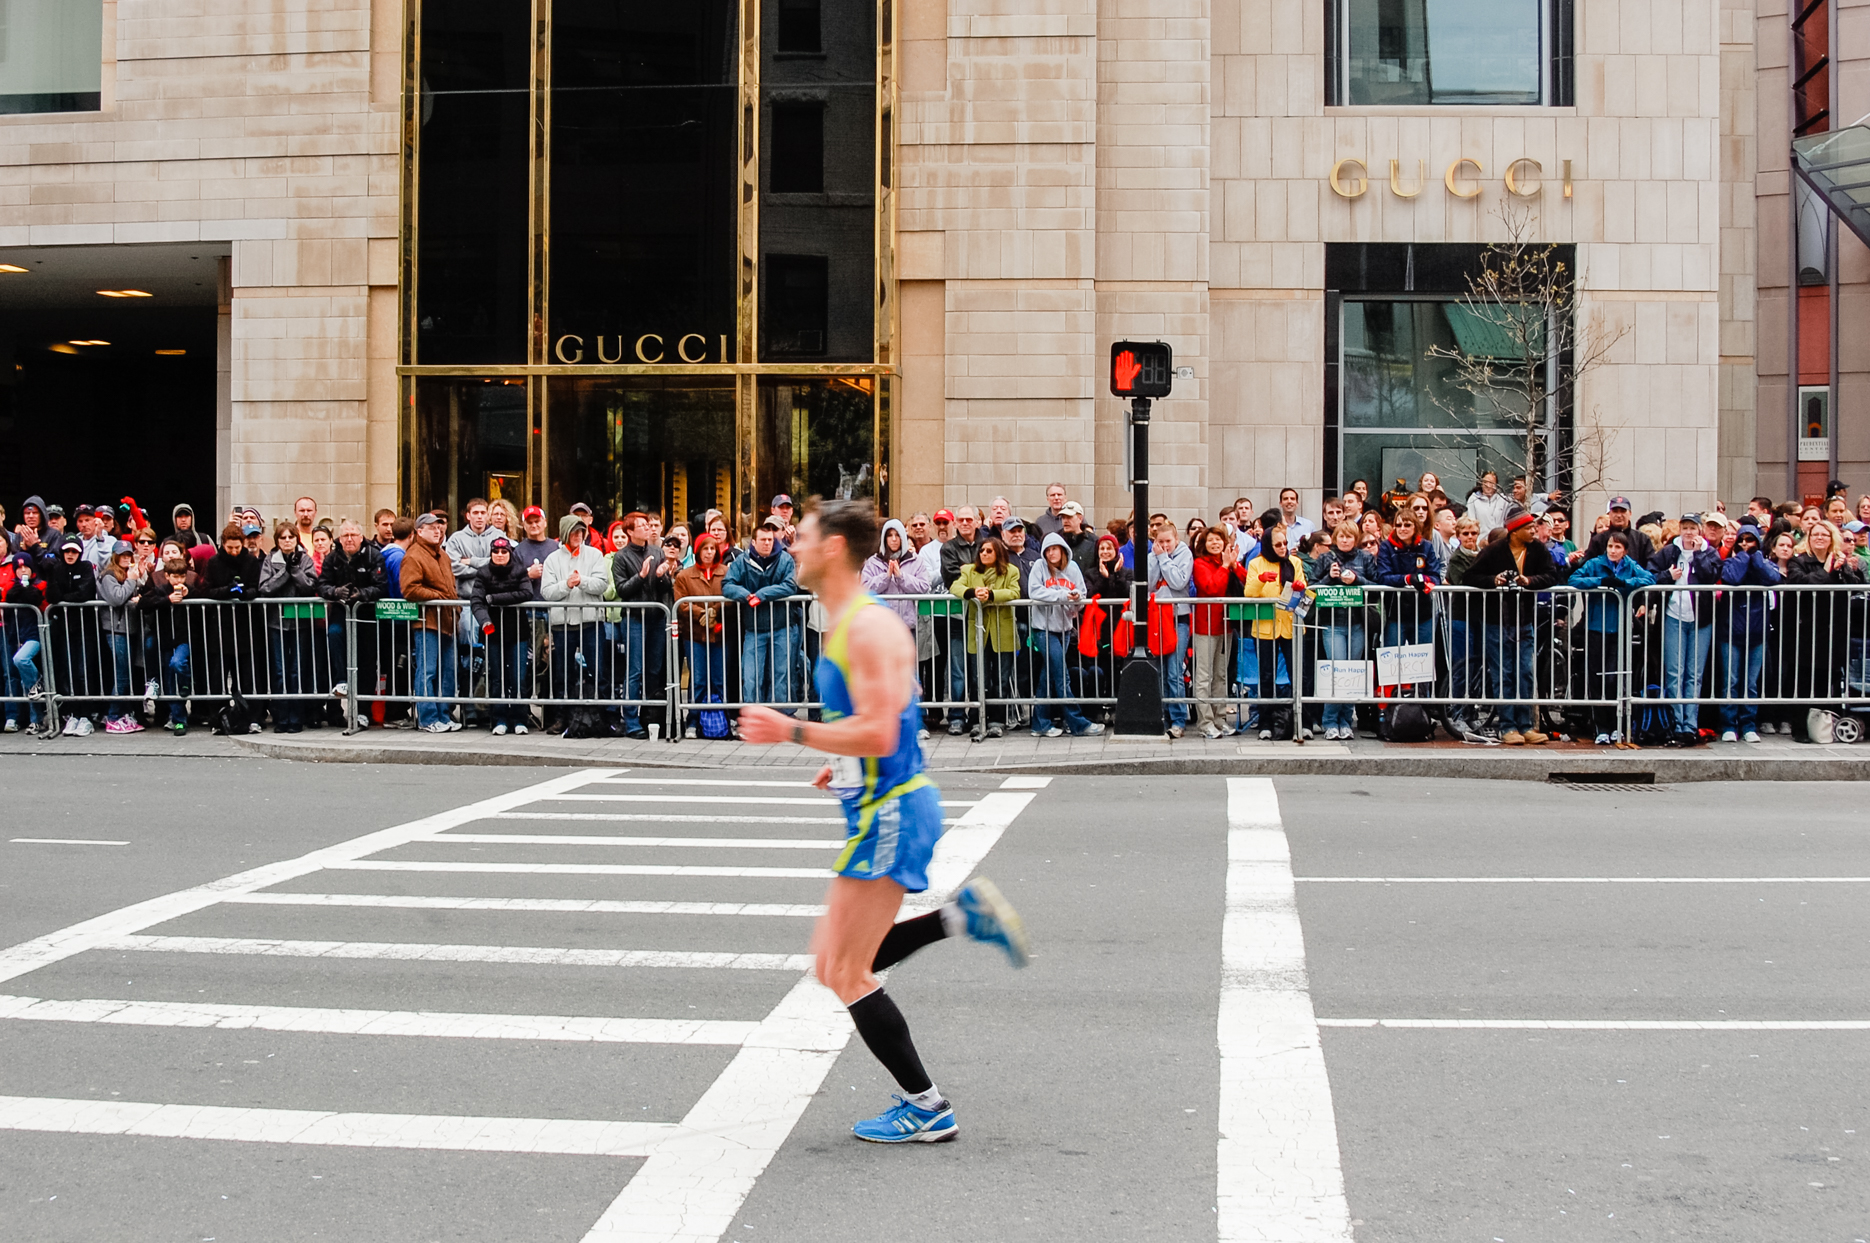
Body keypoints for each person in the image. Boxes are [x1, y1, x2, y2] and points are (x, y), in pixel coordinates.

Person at [737, 500, 1026, 1144]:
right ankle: (960, 917)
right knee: (837, 963)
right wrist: (838, 764)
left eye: (803, 536)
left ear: (835, 548)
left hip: (890, 810)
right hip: (880, 800)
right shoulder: (849, 621)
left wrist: (792, 730)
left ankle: (926, 1106)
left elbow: (880, 727)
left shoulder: (865, 628)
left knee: (844, 968)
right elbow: (887, 723)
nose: (793, 545)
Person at [1462, 504, 1557, 746]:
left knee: (1525, 673)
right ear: (1514, 531)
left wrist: (1529, 580)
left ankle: (1525, 725)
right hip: (1497, 621)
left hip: (1525, 620)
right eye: (1528, 527)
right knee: (1503, 674)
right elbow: (1470, 576)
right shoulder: (1494, 551)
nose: (1534, 530)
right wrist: (1494, 580)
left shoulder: (1538, 550)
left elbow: (1551, 575)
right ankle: (1507, 726)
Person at [1566, 530, 1656, 744]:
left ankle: (1618, 725)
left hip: (1620, 628)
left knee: (1615, 677)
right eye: (1610, 546)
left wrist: (1625, 584)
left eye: (1617, 547)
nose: (1613, 551)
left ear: (1624, 550)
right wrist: (1600, 581)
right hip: (1596, 626)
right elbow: (1575, 579)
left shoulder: (1630, 565)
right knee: (1596, 678)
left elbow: (1649, 578)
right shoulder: (1595, 563)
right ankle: (1601, 727)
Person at [541, 515, 612, 737]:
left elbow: (602, 584)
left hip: (591, 621)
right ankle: (563, 717)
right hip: (563, 624)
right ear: (564, 534)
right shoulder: (553, 559)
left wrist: (582, 581)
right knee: (562, 674)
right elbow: (547, 592)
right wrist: (567, 584)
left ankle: (604, 716)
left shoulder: (595, 554)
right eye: (574, 532)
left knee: (599, 671)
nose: (579, 536)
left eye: (582, 532)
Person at [1027, 531, 1102, 738]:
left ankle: (1040, 723)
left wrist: (1075, 599)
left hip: (1065, 628)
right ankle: (1077, 723)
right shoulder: (1039, 568)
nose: (1051, 554)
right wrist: (1062, 595)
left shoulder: (1073, 568)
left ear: (1062, 550)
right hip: (1044, 630)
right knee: (1062, 676)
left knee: (1048, 676)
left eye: (1055, 549)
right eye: (1048, 550)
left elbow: (1082, 593)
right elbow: (1034, 591)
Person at [611, 512, 678, 739]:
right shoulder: (621, 557)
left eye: (648, 525)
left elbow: (666, 586)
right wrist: (641, 575)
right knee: (634, 670)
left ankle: (649, 717)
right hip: (634, 618)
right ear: (630, 531)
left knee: (653, 670)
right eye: (641, 525)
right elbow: (622, 590)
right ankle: (630, 720)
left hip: (656, 618)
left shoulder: (657, 551)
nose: (647, 528)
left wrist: (661, 575)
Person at [948, 536, 1022, 737]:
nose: (984, 554)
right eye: (982, 551)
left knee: (1001, 679)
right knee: (978, 678)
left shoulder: (1011, 571)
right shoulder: (970, 570)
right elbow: (955, 587)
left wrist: (991, 595)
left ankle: (997, 720)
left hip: (1001, 631)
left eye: (989, 551)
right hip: (978, 631)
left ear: (998, 552)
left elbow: (1015, 592)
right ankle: (975, 719)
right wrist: (972, 592)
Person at [724, 521, 801, 710]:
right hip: (754, 628)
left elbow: (790, 585)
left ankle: (781, 716)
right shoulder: (742, 561)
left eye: (770, 539)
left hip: (782, 626)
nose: (767, 543)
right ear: (754, 541)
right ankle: (752, 715)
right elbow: (727, 585)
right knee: (751, 675)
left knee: (781, 674)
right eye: (763, 540)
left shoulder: (784, 560)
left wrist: (761, 595)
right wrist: (745, 595)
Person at [1310, 522, 1377, 741]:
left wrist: (1356, 580)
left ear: (1355, 538)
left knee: (1352, 673)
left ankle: (1346, 720)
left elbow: (1376, 587)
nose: (1345, 540)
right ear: (1335, 538)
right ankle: (1330, 721)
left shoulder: (1365, 558)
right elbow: (1313, 587)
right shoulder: (1325, 558)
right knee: (1337, 672)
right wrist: (1330, 577)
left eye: (1349, 537)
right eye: (1341, 536)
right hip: (1333, 624)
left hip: (1358, 623)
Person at [1240, 525, 1307, 741]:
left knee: (1299, 674)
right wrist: (1261, 579)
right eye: (1278, 544)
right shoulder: (1256, 563)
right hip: (1265, 627)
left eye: (1285, 543)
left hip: (1290, 625)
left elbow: (1303, 588)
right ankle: (1266, 723)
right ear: (1268, 544)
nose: (1283, 547)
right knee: (1266, 675)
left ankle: (1301, 721)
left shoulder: (1295, 562)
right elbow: (1249, 592)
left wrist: (1298, 587)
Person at [1714, 523, 1779, 743]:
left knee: (1751, 682)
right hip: (1731, 631)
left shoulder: (1763, 563)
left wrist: (1756, 557)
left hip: (1757, 631)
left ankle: (1749, 724)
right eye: (1742, 540)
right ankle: (1729, 725)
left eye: (1750, 541)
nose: (1745, 545)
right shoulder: (1731, 561)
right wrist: (1743, 557)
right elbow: (1731, 578)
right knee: (1730, 681)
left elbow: (1773, 578)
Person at [401, 511, 462, 733]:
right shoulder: (414, 555)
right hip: (427, 622)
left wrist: (452, 604)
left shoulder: (442, 555)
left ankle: (443, 715)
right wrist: (439, 598)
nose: (438, 531)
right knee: (427, 671)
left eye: (439, 527)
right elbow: (410, 588)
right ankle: (428, 718)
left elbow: (449, 587)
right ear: (419, 532)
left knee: (447, 671)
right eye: (432, 527)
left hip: (446, 619)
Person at [471, 535, 535, 735]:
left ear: (510, 553)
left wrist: (494, 599)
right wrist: (484, 621)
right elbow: (476, 601)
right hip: (492, 631)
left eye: (504, 552)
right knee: (496, 677)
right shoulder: (483, 573)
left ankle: (519, 718)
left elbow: (526, 593)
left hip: (518, 631)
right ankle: (498, 718)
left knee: (518, 677)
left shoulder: (519, 570)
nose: (499, 555)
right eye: (496, 552)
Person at [257, 523, 317, 732]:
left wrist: (296, 570)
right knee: (280, 671)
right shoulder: (270, 560)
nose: (287, 541)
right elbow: (265, 588)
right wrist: (285, 572)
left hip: (300, 623)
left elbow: (311, 586)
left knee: (296, 670)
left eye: (291, 537)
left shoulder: (305, 559)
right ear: (277, 540)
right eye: (283, 538)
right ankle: (282, 717)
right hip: (276, 623)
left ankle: (296, 717)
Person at [135, 539, 198, 735]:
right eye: (174, 577)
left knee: (177, 664)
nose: (178, 581)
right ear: (167, 576)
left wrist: (190, 594)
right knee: (169, 682)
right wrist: (167, 600)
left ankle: (187, 684)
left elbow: (205, 602)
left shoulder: (190, 588)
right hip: (164, 639)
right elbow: (143, 602)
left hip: (183, 638)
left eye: (182, 577)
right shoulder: (161, 589)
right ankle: (179, 720)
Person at [1188, 525, 1244, 739]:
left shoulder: (1227, 563)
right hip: (1206, 626)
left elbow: (1245, 580)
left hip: (1225, 625)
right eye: (1211, 540)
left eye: (1218, 540)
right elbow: (1212, 588)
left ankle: (1220, 719)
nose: (1215, 543)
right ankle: (1205, 721)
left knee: (1221, 675)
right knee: (1204, 675)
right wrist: (1225, 567)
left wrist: (1233, 564)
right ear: (1204, 543)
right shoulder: (1200, 563)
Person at [673, 533, 731, 738]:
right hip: (694, 634)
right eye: (705, 549)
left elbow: (731, 595)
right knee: (697, 679)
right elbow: (681, 603)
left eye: (712, 549)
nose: (709, 553)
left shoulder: (726, 571)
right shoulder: (684, 575)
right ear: (698, 551)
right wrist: (702, 613)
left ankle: (723, 719)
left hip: (720, 633)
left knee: (719, 678)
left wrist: (714, 610)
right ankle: (693, 720)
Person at [1145, 523, 1193, 737]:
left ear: (1176, 539)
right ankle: (1161, 715)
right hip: (1157, 616)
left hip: (1177, 617)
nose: (1164, 546)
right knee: (1160, 670)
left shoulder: (1184, 554)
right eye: (1160, 542)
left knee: (1174, 670)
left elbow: (1178, 581)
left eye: (1168, 542)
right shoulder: (1152, 555)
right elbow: (1150, 583)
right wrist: (1156, 559)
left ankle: (1178, 718)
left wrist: (1163, 559)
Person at [1465, 471, 1510, 536]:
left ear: (1496, 485)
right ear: (1481, 484)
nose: (1488, 485)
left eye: (1491, 483)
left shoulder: (1503, 500)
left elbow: (1507, 522)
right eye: (1485, 482)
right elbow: (1471, 522)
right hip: (1480, 541)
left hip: (1500, 540)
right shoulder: (1473, 499)